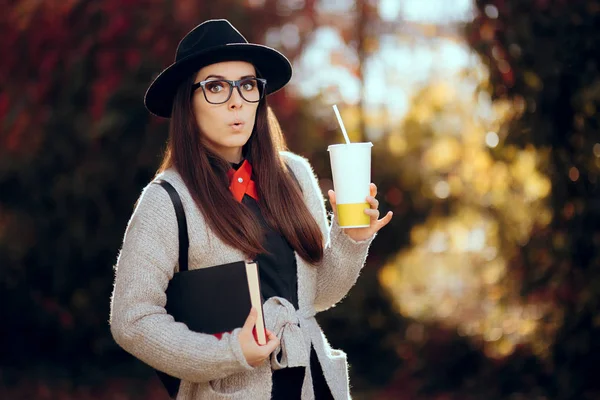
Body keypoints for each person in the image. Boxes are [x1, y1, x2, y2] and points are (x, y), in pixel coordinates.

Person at [109, 19, 393, 400]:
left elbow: (314, 297)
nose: (235, 100)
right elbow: (131, 319)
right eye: (214, 87)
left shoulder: (293, 174)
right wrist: (229, 352)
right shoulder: (166, 200)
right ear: (186, 103)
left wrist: (351, 240)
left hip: (314, 385)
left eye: (247, 85)